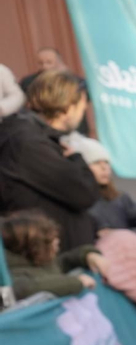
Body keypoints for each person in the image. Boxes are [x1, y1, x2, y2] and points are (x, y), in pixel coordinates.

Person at [0, 71, 101, 249]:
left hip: (56, 253)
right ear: (67, 107)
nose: (84, 111)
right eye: (82, 105)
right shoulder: (28, 142)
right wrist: (77, 159)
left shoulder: (34, 136)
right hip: (46, 257)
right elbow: (84, 193)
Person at [1, 208, 105, 300]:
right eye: (49, 240)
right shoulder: (14, 274)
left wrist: (87, 255)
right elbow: (24, 289)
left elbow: (63, 262)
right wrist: (74, 282)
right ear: (33, 246)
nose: (57, 241)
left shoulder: (41, 262)